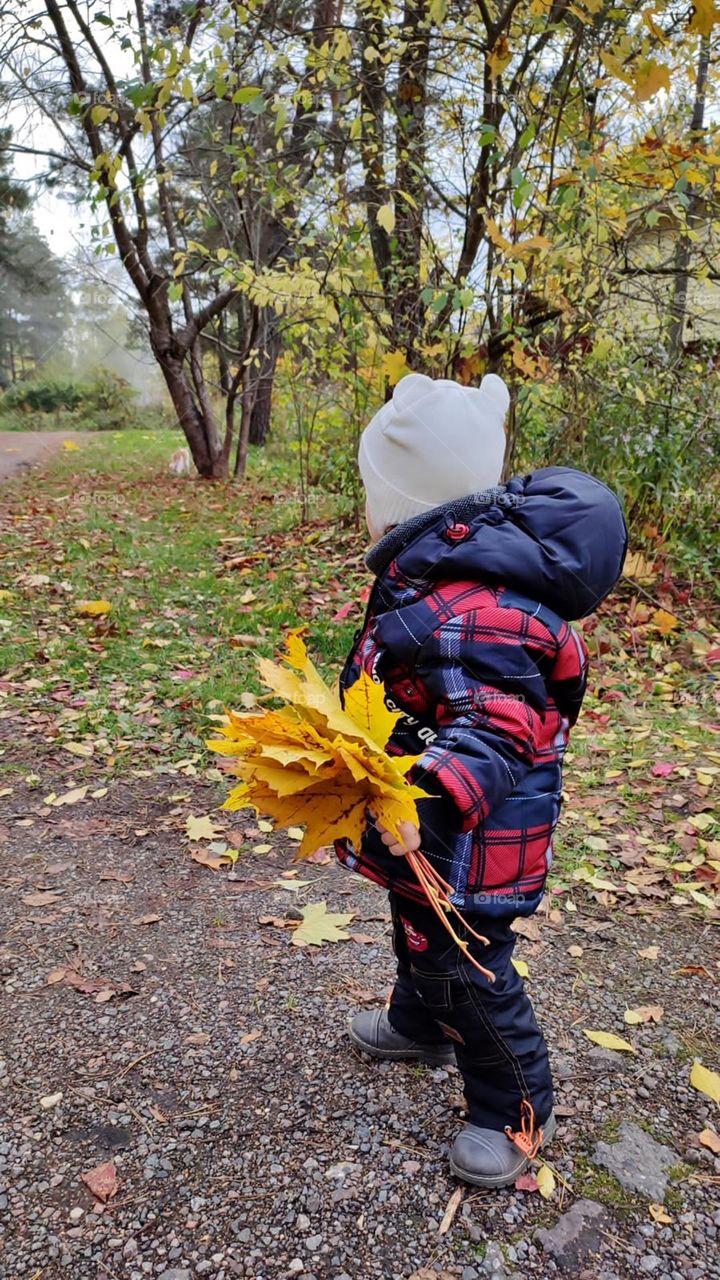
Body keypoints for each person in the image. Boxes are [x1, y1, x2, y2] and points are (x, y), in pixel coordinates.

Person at [334, 372, 627, 1188]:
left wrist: (423, 797)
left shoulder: (478, 609)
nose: (366, 505)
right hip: (431, 836)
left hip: (470, 842)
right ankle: (417, 1022)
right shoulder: (435, 579)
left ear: (403, 498)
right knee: (416, 928)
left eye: (370, 490)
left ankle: (519, 1107)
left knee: (467, 965)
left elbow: (498, 727)